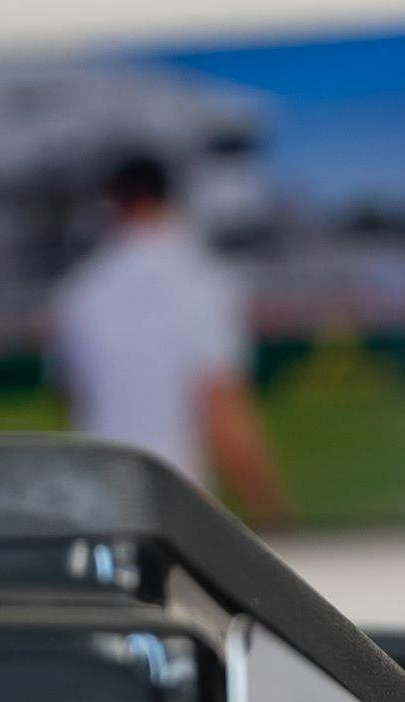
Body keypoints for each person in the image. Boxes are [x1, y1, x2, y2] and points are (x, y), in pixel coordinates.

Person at [48, 151, 292, 526]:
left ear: (113, 204)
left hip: (99, 511)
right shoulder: (202, 283)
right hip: (178, 515)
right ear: (169, 198)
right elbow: (222, 407)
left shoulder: (79, 292)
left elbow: (72, 402)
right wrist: (273, 515)